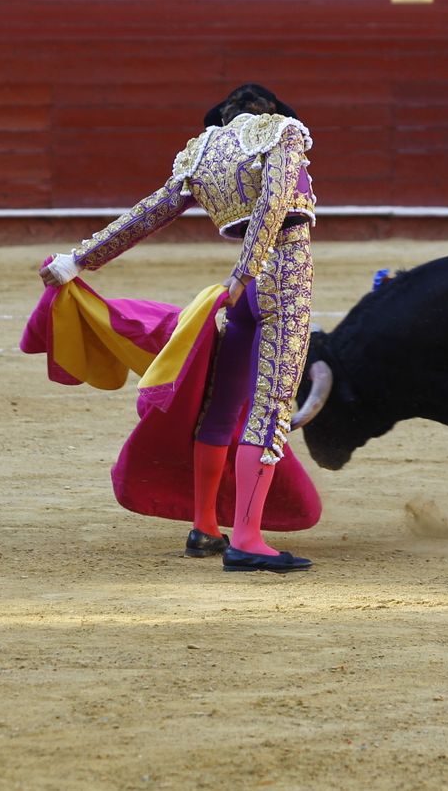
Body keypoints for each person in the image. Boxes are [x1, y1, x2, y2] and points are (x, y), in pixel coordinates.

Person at [38, 84, 318, 573]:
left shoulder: (201, 153)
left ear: (222, 117)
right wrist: (245, 271)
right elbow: (274, 204)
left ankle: (205, 526)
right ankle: (247, 540)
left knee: (221, 405)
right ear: (270, 112)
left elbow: (148, 213)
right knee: (270, 408)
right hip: (282, 276)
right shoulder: (281, 131)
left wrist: (78, 260)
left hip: (240, 295)